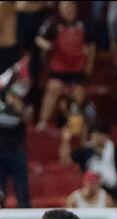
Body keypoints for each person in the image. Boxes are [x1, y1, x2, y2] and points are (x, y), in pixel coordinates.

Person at [35, 1, 94, 131]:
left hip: (77, 69)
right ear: (61, 9)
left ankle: (79, 125)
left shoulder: (83, 25)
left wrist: (89, 65)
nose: (69, 10)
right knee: (54, 88)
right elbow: (39, 39)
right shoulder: (53, 23)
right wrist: (47, 45)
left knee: (78, 92)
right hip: (59, 68)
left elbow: (91, 46)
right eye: (66, 8)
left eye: (71, 7)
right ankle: (43, 122)